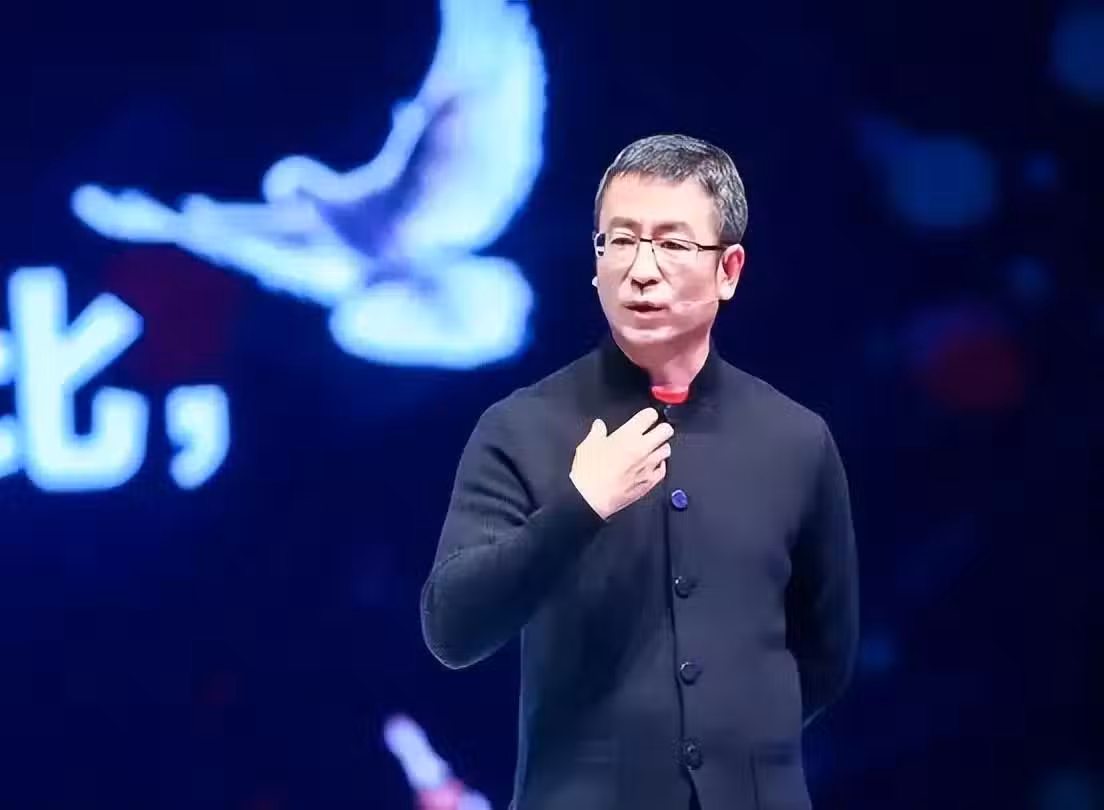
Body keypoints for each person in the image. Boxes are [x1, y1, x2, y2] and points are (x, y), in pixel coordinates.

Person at [420, 134, 860, 810]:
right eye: (620, 242)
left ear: (728, 270)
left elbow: (825, 653)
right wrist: (580, 505)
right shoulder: (521, 428)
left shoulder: (795, 440)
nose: (642, 271)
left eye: (673, 244)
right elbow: (453, 629)